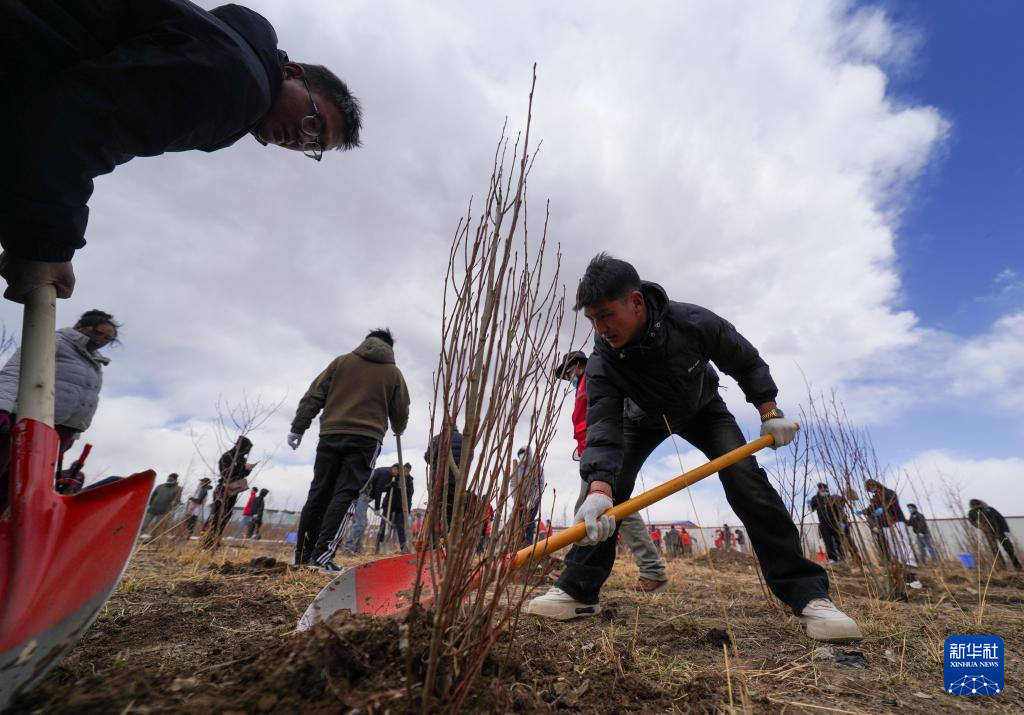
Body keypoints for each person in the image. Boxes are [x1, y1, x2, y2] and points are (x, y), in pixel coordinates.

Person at [525, 254, 860, 642]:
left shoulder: (693, 322)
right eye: (592, 320)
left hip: (703, 410)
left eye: (606, 315)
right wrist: (600, 488)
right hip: (641, 420)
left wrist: (769, 411)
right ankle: (577, 591)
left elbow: (746, 361)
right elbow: (603, 425)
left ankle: (809, 596)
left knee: (745, 479)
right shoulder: (603, 360)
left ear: (635, 302)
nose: (601, 329)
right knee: (606, 495)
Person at [0, 0, 363, 303]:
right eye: (314, 123)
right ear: (292, 73)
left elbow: (85, 128)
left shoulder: (220, 54)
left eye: (313, 147)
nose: (301, 140)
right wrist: (45, 248)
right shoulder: (238, 82)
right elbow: (77, 126)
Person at [288, 328, 409, 570]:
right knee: (346, 493)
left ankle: (302, 557)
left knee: (319, 492)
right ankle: (321, 558)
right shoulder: (393, 373)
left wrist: (298, 427)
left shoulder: (341, 362)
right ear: (390, 348)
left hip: (331, 433)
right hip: (366, 438)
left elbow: (314, 395)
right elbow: (400, 410)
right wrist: (398, 427)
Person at [556, 350, 669, 594]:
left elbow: (602, 418)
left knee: (589, 509)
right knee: (618, 508)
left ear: (578, 365)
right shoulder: (582, 385)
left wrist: (596, 452)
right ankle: (652, 571)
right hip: (593, 454)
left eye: (568, 373)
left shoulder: (594, 378)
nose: (568, 378)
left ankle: (575, 572)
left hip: (601, 454)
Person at [0, 309, 118, 505]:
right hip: (28, 419)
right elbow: (15, 371)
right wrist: (2, 406)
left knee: (21, 483)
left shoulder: (95, 363)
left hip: (59, 431)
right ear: (79, 327)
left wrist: (73, 434)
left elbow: (83, 398)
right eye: (98, 333)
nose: (102, 340)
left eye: (108, 338)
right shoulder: (53, 341)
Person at [203, 435, 256, 547]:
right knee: (217, 515)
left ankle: (216, 540)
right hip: (222, 489)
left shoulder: (241, 459)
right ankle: (207, 540)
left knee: (226, 516)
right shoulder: (227, 456)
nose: (246, 452)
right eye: (246, 449)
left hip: (233, 492)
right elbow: (225, 473)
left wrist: (247, 470)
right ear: (240, 446)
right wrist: (238, 468)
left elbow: (241, 475)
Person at [863, 479, 919, 584]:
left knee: (902, 542)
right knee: (892, 545)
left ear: (875, 484)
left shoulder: (889, 492)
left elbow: (893, 505)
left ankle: (910, 563)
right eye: (869, 489)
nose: (871, 490)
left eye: (871, 487)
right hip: (884, 524)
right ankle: (900, 563)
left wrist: (883, 510)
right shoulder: (875, 498)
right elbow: (871, 509)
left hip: (896, 520)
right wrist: (864, 511)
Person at [424, 423, 463, 532]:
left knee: (436, 508)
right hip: (456, 480)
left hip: (438, 479)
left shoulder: (437, 438)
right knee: (452, 508)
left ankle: (433, 536)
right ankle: (448, 536)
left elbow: (428, 458)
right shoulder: (463, 439)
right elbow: (469, 458)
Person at [968, 499, 1021, 570]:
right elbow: (971, 521)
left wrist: (1006, 531)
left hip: (1000, 531)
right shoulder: (972, 513)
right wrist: (979, 526)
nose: (977, 508)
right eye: (974, 507)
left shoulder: (989, 509)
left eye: (978, 506)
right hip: (988, 533)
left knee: (1009, 549)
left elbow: (1001, 518)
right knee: (995, 550)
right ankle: (1002, 568)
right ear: (972, 507)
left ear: (980, 504)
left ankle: (1017, 566)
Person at [375, 463, 413, 552]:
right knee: (383, 525)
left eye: (408, 471)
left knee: (400, 526)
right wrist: (390, 485)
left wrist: (408, 510)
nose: (406, 473)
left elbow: (410, 495)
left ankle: (403, 547)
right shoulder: (395, 476)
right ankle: (378, 546)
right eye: (404, 470)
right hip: (389, 504)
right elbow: (384, 488)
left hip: (400, 507)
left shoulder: (409, 481)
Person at [513, 446, 545, 545]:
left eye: (524, 453)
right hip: (520, 501)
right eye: (520, 455)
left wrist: (533, 500)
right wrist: (515, 497)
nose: (522, 456)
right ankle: (519, 544)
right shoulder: (517, 468)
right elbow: (512, 483)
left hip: (533, 500)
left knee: (529, 522)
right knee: (518, 523)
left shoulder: (537, 467)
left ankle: (529, 544)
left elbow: (540, 484)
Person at [808, 483, 846, 563]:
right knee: (827, 541)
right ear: (819, 489)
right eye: (820, 488)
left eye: (824, 487)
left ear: (826, 489)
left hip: (834, 522)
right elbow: (811, 509)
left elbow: (840, 507)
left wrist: (841, 522)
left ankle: (842, 557)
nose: (822, 489)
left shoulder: (832, 498)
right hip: (823, 522)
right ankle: (832, 558)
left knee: (838, 540)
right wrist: (809, 505)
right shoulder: (815, 499)